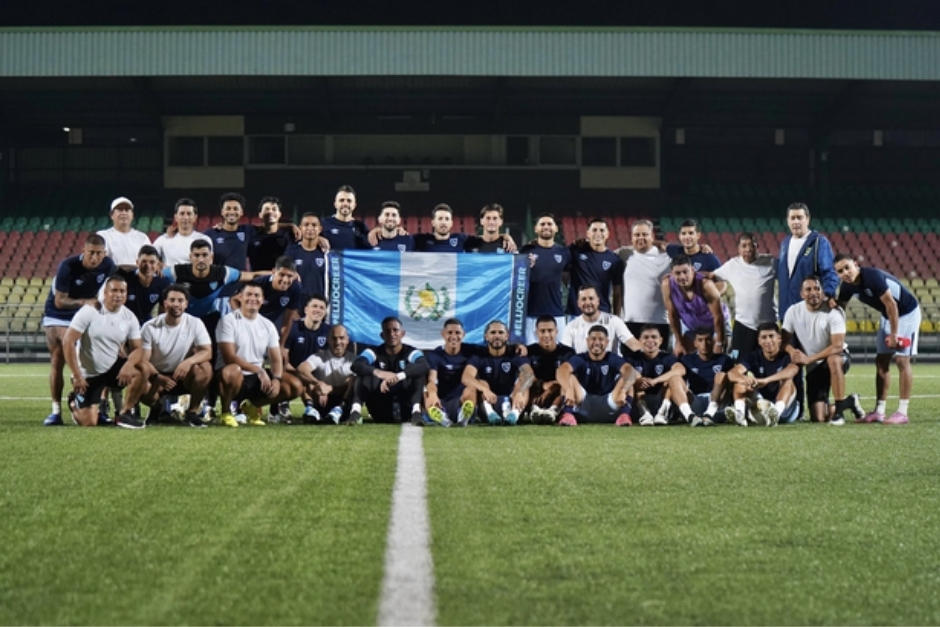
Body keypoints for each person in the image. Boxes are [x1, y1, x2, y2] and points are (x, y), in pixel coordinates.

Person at [835, 254, 920, 424]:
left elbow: (891, 305)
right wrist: (838, 334)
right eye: (840, 271)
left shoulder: (872, 277)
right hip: (887, 316)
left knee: (902, 360)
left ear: (856, 265)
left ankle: (902, 412)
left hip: (906, 313)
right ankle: (879, 411)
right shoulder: (847, 286)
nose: (845, 273)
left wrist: (894, 335)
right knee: (881, 361)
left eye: (847, 267)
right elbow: (840, 309)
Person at [41, 233, 117, 425]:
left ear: (104, 253)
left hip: (85, 311)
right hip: (58, 313)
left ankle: (95, 406)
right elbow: (60, 301)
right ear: (83, 250)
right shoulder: (68, 266)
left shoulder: (108, 265)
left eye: (99, 253)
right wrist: (86, 302)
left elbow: (115, 283)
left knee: (98, 355)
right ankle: (56, 411)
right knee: (59, 357)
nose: (95, 258)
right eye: (91, 253)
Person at [62, 274, 145, 428]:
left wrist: (128, 364)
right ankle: (75, 402)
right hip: (89, 374)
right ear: (105, 293)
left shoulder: (129, 317)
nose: (118, 295)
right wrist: (76, 375)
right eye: (114, 291)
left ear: (126, 295)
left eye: (122, 291)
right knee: (90, 422)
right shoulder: (89, 312)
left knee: (142, 369)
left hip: (113, 368)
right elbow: (68, 341)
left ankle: (124, 414)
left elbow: (138, 349)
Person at [215, 283, 301, 428]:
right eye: (248, 294)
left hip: (255, 378)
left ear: (262, 300)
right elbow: (229, 357)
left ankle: (252, 406)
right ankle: (226, 412)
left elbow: (275, 358)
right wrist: (259, 370)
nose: (253, 298)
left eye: (257, 295)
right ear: (240, 297)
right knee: (233, 370)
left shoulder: (267, 325)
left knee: (294, 385)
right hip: (230, 376)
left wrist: (277, 379)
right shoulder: (228, 321)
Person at [781, 276, 864, 425]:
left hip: (838, 357)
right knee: (818, 417)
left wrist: (809, 359)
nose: (813, 292)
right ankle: (850, 402)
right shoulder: (793, 311)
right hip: (814, 365)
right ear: (801, 294)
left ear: (822, 291)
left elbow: (837, 346)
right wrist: (792, 351)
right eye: (808, 289)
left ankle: (839, 412)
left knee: (833, 359)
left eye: (817, 288)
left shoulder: (833, 312)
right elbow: (784, 341)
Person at [135, 283, 213, 427]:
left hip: (183, 375)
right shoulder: (150, 327)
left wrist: (188, 362)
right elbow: (143, 360)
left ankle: (192, 412)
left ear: (186, 304)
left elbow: (207, 351)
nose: (176, 304)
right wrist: (157, 377)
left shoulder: (195, 323)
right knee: (139, 377)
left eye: (180, 300)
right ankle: (156, 408)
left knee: (205, 368)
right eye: (172, 300)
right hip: (157, 376)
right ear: (165, 303)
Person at [349, 317, 429, 424]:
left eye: (395, 330)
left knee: (418, 374)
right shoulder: (375, 351)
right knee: (362, 373)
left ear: (402, 333)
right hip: (381, 405)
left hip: (405, 405)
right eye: (387, 331)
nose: (392, 334)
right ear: (382, 335)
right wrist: (380, 373)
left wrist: (398, 376)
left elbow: (424, 365)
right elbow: (356, 364)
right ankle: (355, 412)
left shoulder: (410, 351)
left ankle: (416, 413)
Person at [555, 325, 638, 426]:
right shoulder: (580, 358)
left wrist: (623, 390)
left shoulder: (612, 358)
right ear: (587, 341)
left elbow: (630, 371)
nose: (597, 342)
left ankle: (625, 415)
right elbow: (561, 370)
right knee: (569, 377)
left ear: (607, 342)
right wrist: (568, 389)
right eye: (593, 339)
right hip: (583, 403)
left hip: (609, 403)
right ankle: (567, 414)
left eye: (601, 339)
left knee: (627, 379)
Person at [712, 232, 778, 358]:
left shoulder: (771, 262)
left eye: (751, 245)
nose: (748, 249)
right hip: (743, 325)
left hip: (767, 325)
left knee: (770, 363)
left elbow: (791, 276)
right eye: (744, 246)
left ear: (757, 246)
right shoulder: (732, 265)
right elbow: (711, 276)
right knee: (738, 363)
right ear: (738, 249)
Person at [460, 320, 533, 425]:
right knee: (481, 383)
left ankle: (514, 415)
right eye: (493, 332)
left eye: (500, 332)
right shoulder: (479, 355)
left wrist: (520, 392)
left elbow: (529, 374)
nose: (497, 336)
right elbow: (466, 377)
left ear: (507, 336)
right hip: (487, 402)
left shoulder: (515, 353)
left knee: (524, 384)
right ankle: (491, 414)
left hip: (512, 401)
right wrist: (484, 389)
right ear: (486, 336)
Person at [726, 322, 800, 426]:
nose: (768, 341)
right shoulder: (753, 356)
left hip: (786, 410)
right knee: (740, 381)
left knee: (788, 381)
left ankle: (775, 415)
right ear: (759, 341)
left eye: (771, 336)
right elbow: (731, 374)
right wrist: (744, 379)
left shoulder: (788, 355)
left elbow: (793, 370)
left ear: (779, 338)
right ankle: (739, 415)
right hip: (762, 404)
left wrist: (766, 380)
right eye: (764, 337)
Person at [777, 202, 839, 321]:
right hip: (787, 314)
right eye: (792, 218)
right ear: (787, 220)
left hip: (810, 314)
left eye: (799, 218)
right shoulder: (785, 243)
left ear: (807, 219)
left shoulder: (818, 242)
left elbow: (830, 273)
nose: (796, 222)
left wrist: (825, 295)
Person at [661, 255, 728, 356]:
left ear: (692, 270)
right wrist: (679, 342)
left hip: (716, 327)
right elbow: (673, 315)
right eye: (678, 273)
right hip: (692, 328)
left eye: (685, 272)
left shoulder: (706, 285)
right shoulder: (667, 285)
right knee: (680, 355)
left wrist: (719, 342)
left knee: (717, 358)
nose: (682, 277)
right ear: (672, 274)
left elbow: (718, 316)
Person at [619, 219, 672, 345]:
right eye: (637, 235)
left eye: (645, 234)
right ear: (631, 238)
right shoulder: (624, 254)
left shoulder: (666, 257)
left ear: (652, 236)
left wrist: (702, 247)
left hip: (660, 322)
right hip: (630, 322)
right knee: (631, 362)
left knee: (660, 363)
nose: (640, 238)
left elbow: (688, 253)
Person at [519, 212, 571, 343]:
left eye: (549, 224)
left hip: (556, 312)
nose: (546, 226)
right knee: (531, 354)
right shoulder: (525, 251)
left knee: (560, 352)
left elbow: (567, 279)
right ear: (536, 228)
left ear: (556, 228)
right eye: (542, 224)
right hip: (530, 314)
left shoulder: (564, 253)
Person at [295, 324, 356, 424]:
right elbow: (301, 369)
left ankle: (338, 410)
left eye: (341, 338)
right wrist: (318, 383)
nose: (338, 342)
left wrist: (330, 389)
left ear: (347, 340)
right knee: (303, 378)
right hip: (321, 400)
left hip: (342, 401)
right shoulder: (320, 356)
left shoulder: (353, 360)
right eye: (334, 338)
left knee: (355, 380)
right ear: (328, 340)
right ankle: (311, 410)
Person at [284, 294, 332, 419]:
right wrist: (304, 376)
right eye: (314, 306)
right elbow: (282, 361)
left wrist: (323, 384)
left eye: (322, 307)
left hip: (315, 377)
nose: (318, 310)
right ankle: (281, 406)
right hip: (291, 373)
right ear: (306, 310)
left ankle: (313, 408)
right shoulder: (292, 329)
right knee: (297, 381)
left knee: (324, 409)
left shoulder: (329, 332)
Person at [424, 318, 480, 427]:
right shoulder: (434, 355)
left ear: (463, 334)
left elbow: (493, 349)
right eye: (450, 333)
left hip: (461, 401)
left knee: (472, 387)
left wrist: (516, 347)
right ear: (443, 334)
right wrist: (433, 394)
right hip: (441, 401)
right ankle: (441, 417)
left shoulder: (471, 350)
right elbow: (432, 379)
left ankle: (463, 417)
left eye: (457, 333)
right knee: (426, 391)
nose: (454, 336)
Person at [675, 328, 735, 426]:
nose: (704, 344)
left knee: (722, 375)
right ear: (695, 343)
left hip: (718, 402)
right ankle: (690, 416)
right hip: (696, 400)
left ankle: (710, 413)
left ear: (714, 341)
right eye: (700, 340)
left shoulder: (725, 359)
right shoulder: (687, 360)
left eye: (708, 339)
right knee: (675, 378)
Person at [628, 325, 685, 426]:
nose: (650, 340)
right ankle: (644, 413)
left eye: (654, 337)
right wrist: (638, 381)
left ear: (661, 340)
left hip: (662, 398)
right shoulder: (632, 358)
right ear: (639, 341)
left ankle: (663, 412)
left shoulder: (667, 357)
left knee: (673, 379)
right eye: (646, 337)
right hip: (639, 400)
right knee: (630, 378)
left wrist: (655, 380)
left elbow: (681, 369)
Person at [566, 217, 624, 317]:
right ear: (588, 233)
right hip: (576, 314)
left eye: (602, 230)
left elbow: (617, 292)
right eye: (594, 230)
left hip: (602, 313)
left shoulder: (615, 260)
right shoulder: (575, 251)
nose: (598, 233)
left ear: (608, 234)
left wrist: (616, 317)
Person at [523, 316, 575, 424]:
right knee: (524, 382)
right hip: (537, 392)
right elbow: (525, 375)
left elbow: (571, 377)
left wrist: (551, 388)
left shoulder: (568, 352)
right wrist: (542, 385)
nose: (546, 335)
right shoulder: (528, 351)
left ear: (556, 331)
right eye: (542, 331)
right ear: (536, 332)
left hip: (558, 392)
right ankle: (533, 410)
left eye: (550, 331)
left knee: (568, 383)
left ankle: (553, 411)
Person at [561, 285, 640, 356]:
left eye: (591, 298)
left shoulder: (614, 321)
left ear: (598, 301)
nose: (588, 302)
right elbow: (564, 355)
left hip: (612, 369)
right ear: (578, 303)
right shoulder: (571, 326)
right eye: (583, 299)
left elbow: (633, 344)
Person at [116, 244, 171, 325]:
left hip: (146, 322)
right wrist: (135, 267)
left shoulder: (163, 282)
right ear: (137, 262)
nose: (148, 266)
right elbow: (113, 267)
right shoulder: (126, 278)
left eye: (152, 262)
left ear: (158, 264)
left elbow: (163, 310)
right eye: (144, 261)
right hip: (124, 321)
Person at [153, 198, 213, 266]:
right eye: (182, 213)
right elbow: (150, 259)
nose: (185, 217)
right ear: (176, 217)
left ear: (195, 217)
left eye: (189, 214)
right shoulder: (163, 239)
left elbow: (208, 265)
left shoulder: (204, 239)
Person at [285, 213, 328, 305]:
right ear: (300, 228)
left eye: (314, 225)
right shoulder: (291, 251)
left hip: (318, 306)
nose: (310, 228)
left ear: (320, 229)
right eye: (306, 225)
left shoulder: (326, 254)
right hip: (296, 306)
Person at [96, 196, 152, 268]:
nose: (124, 213)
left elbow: (150, 260)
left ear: (132, 215)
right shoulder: (102, 236)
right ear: (111, 215)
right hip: (113, 276)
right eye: (120, 210)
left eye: (127, 210)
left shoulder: (142, 237)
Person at [205, 192, 253, 270]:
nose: (231, 212)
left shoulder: (248, 230)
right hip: (219, 281)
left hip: (240, 280)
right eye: (228, 208)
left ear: (241, 212)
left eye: (235, 209)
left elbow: (272, 227)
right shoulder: (210, 234)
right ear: (222, 212)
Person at [247, 196, 297, 271]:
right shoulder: (251, 233)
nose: (270, 212)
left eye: (274, 209)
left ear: (280, 214)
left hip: (282, 280)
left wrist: (319, 239)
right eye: (267, 209)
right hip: (258, 281)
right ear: (260, 214)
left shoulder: (290, 234)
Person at [322, 184, 369, 250]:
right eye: (341, 200)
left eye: (349, 201)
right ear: (335, 204)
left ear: (354, 205)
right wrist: (318, 238)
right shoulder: (323, 224)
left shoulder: (361, 227)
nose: (345, 204)